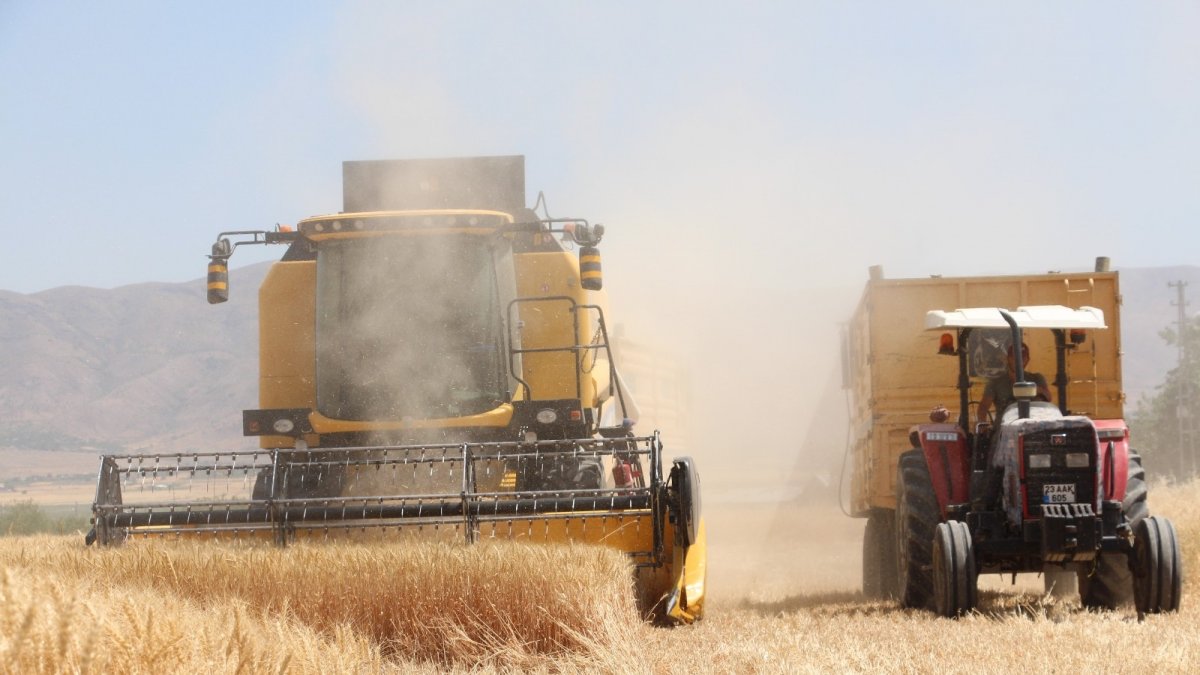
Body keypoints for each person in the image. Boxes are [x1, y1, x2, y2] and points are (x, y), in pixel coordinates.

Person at [976, 342, 1052, 423]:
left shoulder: (1036, 378)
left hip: (1031, 428)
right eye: (1015, 357)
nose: (1019, 360)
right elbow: (983, 409)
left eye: (1023, 357)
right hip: (1004, 429)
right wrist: (983, 427)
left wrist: (1038, 390)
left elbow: (1048, 398)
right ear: (1007, 358)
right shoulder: (995, 383)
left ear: (1028, 359)